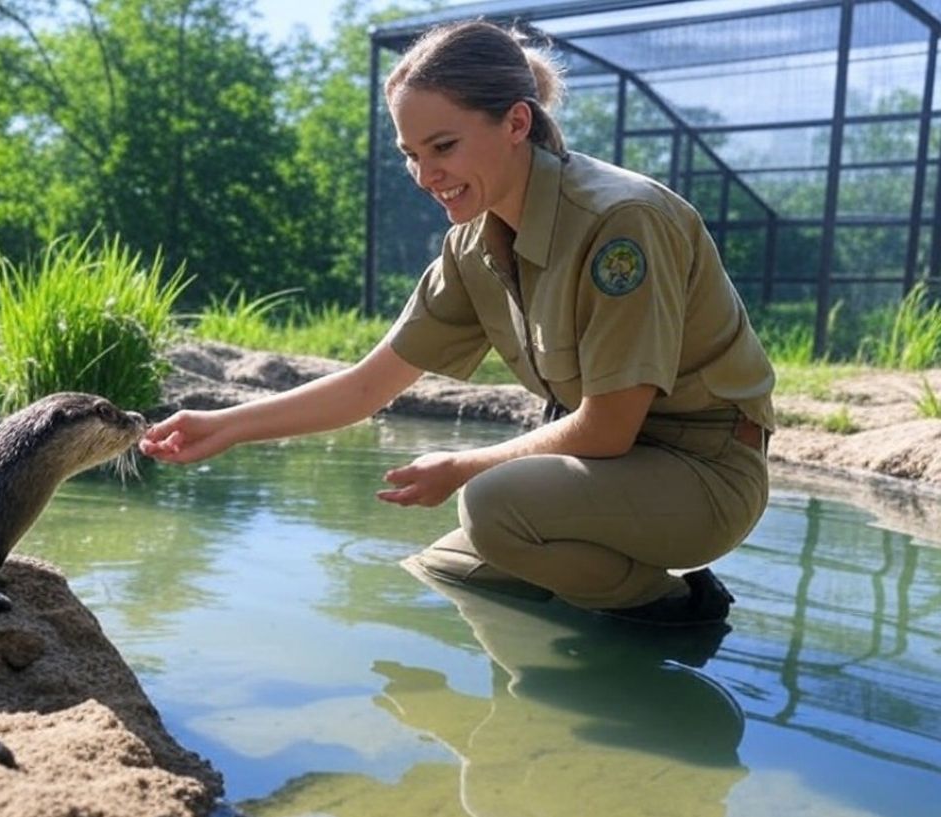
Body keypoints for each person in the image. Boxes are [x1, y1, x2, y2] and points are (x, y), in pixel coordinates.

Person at [141, 19, 775, 626]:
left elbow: (607, 428)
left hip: (705, 475)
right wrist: (223, 426)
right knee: (442, 573)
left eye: (443, 146)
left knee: (492, 506)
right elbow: (369, 386)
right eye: (410, 154)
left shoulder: (621, 222)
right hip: (603, 475)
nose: (425, 174)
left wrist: (463, 467)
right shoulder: (471, 245)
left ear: (516, 123)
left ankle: (679, 612)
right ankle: (574, 638)